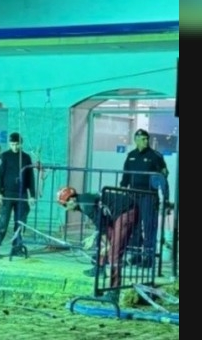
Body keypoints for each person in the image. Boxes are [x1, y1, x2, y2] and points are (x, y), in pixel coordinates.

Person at [57, 186, 139, 303]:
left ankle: (113, 292)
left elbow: (101, 223)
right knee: (103, 238)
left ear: (71, 199)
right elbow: (100, 223)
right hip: (117, 213)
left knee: (114, 254)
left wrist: (108, 245)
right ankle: (99, 268)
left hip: (126, 211)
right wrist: (95, 237)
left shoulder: (85, 204)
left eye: (65, 205)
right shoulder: (83, 201)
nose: (66, 209)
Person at [120, 128, 170, 268]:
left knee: (149, 227)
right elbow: (125, 175)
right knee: (134, 226)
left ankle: (148, 258)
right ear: (136, 140)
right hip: (132, 195)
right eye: (142, 139)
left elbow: (163, 176)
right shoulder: (131, 156)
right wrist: (123, 189)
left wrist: (165, 197)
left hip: (149, 196)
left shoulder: (155, 156)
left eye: (147, 138)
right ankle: (136, 255)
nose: (146, 141)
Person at [0, 132, 36, 259]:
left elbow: (30, 177)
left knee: (20, 223)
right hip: (7, 195)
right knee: (3, 223)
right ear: (9, 144)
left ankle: (17, 248)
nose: (15, 147)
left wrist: (32, 195)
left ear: (21, 144)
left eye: (17, 144)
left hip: (22, 195)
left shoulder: (26, 157)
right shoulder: (4, 156)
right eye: (12, 144)